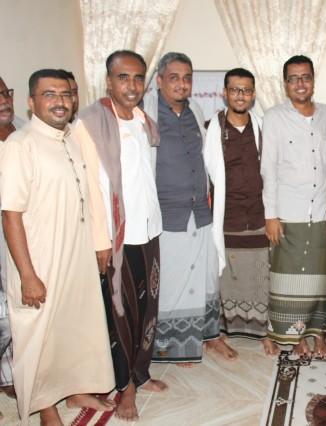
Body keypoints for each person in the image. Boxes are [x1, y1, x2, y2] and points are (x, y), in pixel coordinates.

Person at [1, 69, 114, 425]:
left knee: (75, 327)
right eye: (49, 94)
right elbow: (10, 215)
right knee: (39, 336)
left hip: (75, 253)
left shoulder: (70, 139)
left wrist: (97, 245)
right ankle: (46, 406)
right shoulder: (20, 144)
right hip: (40, 258)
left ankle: (76, 390)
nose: (60, 101)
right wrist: (27, 275)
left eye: (65, 94)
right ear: (31, 102)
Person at [73, 50, 167, 421]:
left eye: (138, 77)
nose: (132, 85)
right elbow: (90, 189)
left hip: (149, 228)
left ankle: (141, 372)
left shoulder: (143, 121)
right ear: (109, 81)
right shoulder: (90, 122)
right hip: (116, 237)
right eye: (123, 77)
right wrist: (100, 241)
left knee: (148, 308)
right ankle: (125, 386)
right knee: (121, 312)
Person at [142, 52, 236, 365]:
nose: (182, 84)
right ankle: (175, 345)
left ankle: (208, 337)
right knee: (173, 284)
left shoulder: (195, 109)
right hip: (169, 216)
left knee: (206, 280)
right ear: (159, 80)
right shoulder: (146, 112)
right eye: (174, 78)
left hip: (201, 212)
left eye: (187, 78)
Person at [261, 55, 326, 357]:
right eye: (293, 78)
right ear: (286, 84)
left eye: (305, 77)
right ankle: (295, 337)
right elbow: (268, 168)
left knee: (318, 279)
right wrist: (271, 215)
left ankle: (318, 333)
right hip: (288, 213)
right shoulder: (274, 117)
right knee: (289, 279)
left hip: (320, 211)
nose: (300, 83)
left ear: (313, 80)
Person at [208, 68, 278, 356]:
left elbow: (272, 173)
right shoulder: (210, 129)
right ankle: (223, 332)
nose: (240, 96)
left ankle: (263, 333)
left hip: (258, 216)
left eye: (246, 90)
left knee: (261, 278)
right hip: (226, 218)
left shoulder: (262, 128)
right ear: (224, 93)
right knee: (227, 280)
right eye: (235, 90)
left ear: (253, 95)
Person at [0, 76, 21, 404]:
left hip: (20, 239)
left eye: (5, 93)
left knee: (16, 311)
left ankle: (9, 375)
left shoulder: (25, 132)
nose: (4, 100)